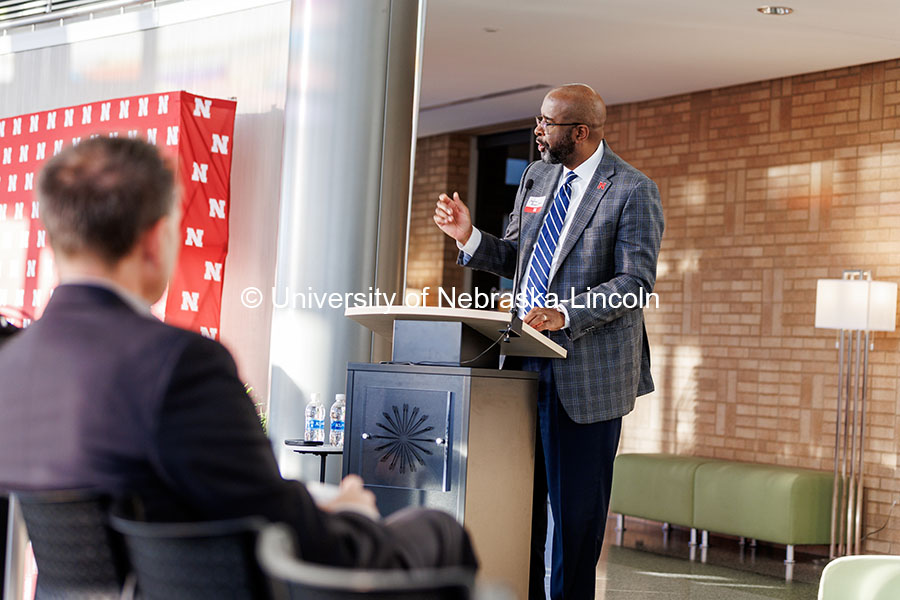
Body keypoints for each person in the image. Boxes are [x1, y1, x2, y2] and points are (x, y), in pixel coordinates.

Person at [0, 136, 477, 571]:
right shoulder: (178, 364)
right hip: (241, 579)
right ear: (153, 240)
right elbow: (278, 524)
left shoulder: (13, 362)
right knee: (437, 531)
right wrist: (352, 513)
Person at [434, 83, 664, 599]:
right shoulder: (537, 177)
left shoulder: (631, 190)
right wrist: (468, 237)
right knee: (522, 505)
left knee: (575, 518)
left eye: (546, 123)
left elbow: (634, 285)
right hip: (521, 363)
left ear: (579, 132)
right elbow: (519, 255)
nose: (537, 131)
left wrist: (564, 313)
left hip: (588, 374)